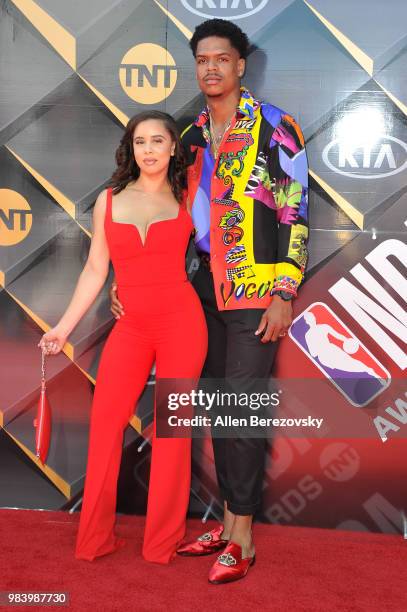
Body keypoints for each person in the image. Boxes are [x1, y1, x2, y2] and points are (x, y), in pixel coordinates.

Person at [111, 19, 309, 583]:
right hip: (199, 294)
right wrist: (127, 280)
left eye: (222, 58)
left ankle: (243, 538)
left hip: (256, 292)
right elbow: (156, 213)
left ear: (240, 65)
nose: (212, 68)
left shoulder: (276, 127)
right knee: (220, 408)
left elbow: (295, 211)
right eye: (202, 60)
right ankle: (227, 523)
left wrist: (284, 292)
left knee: (241, 412)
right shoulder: (188, 136)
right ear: (195, 66)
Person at [38, 111, 208, 564]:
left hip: (182, 323)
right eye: (139, 142)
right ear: (129, 148)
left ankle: (160, 545)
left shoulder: (190, 193)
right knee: (106, 426)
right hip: (130, 325)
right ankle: (94, 539)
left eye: (158, 141)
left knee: (173, 433)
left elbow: (225, 250)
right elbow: (96, 270)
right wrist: (62, 329)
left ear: (174, 147)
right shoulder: (109, 200)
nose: (149, 150)